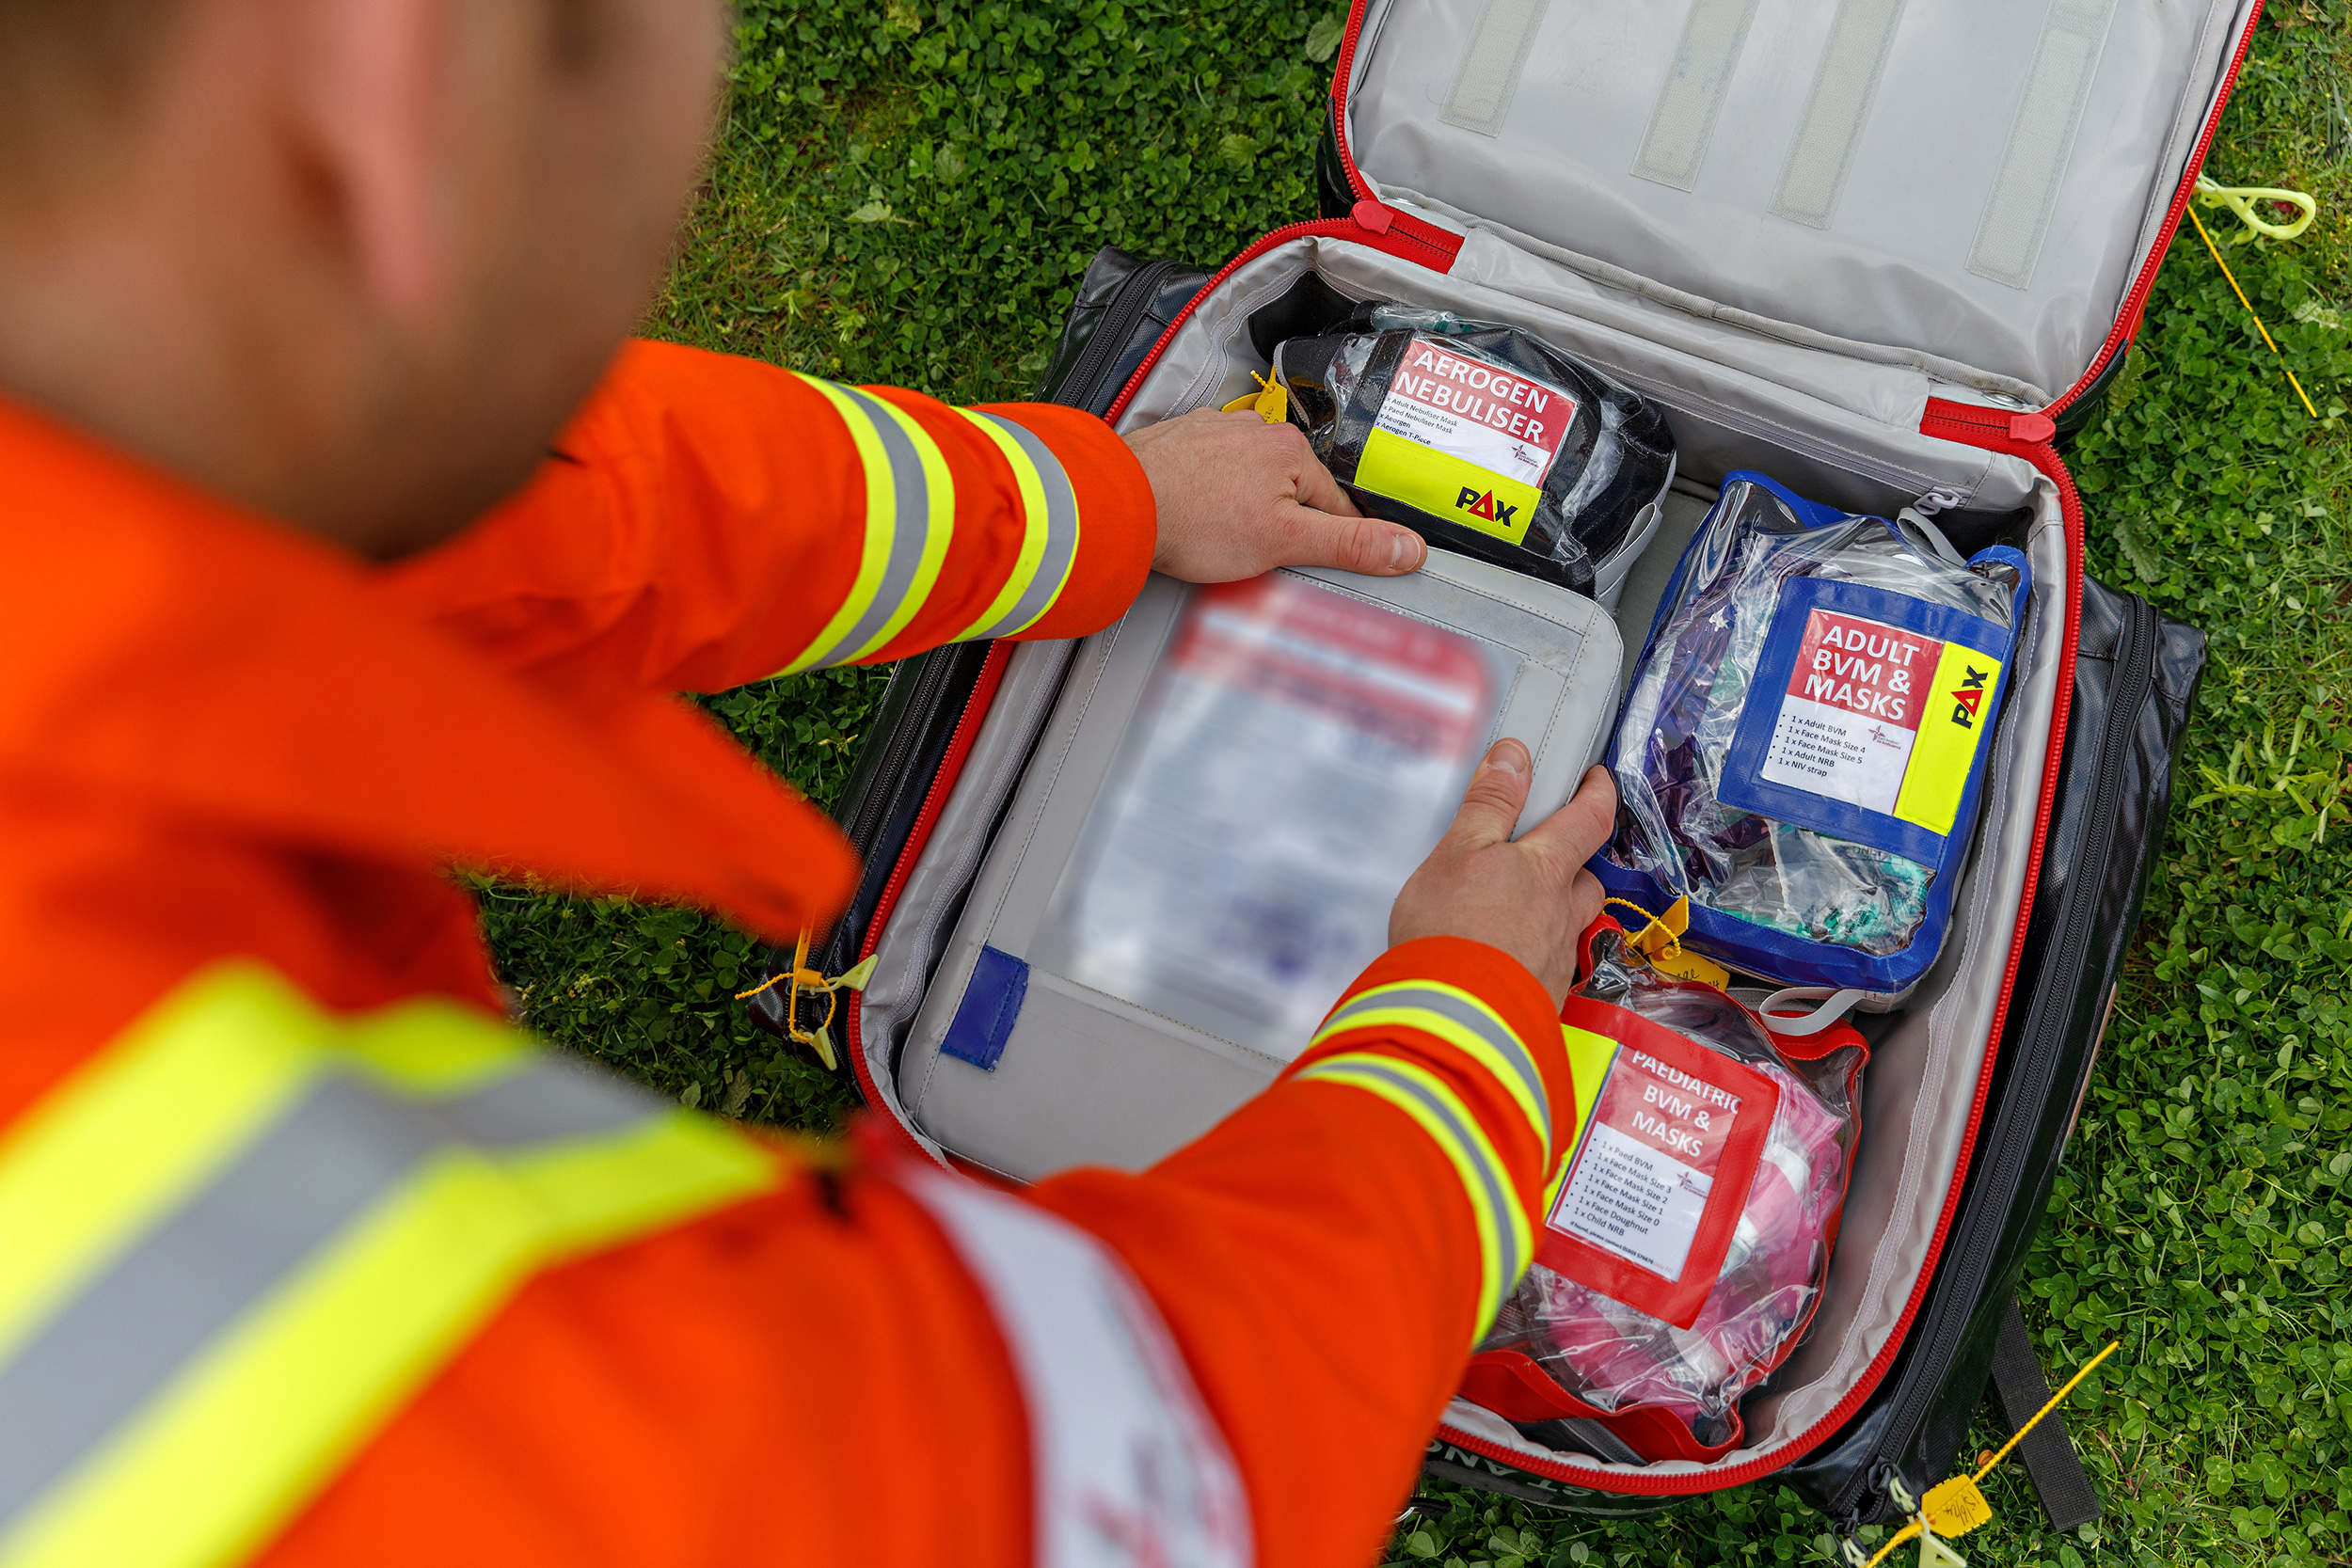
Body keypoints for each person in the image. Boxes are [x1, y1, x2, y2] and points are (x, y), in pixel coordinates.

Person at [0, 3, 1619, 1566]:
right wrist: (1463, 1018)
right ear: (373, 112)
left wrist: (1093, 502)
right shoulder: (418, 1408)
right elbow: (1158, 1469)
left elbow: (593, 508)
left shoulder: (138, 393)